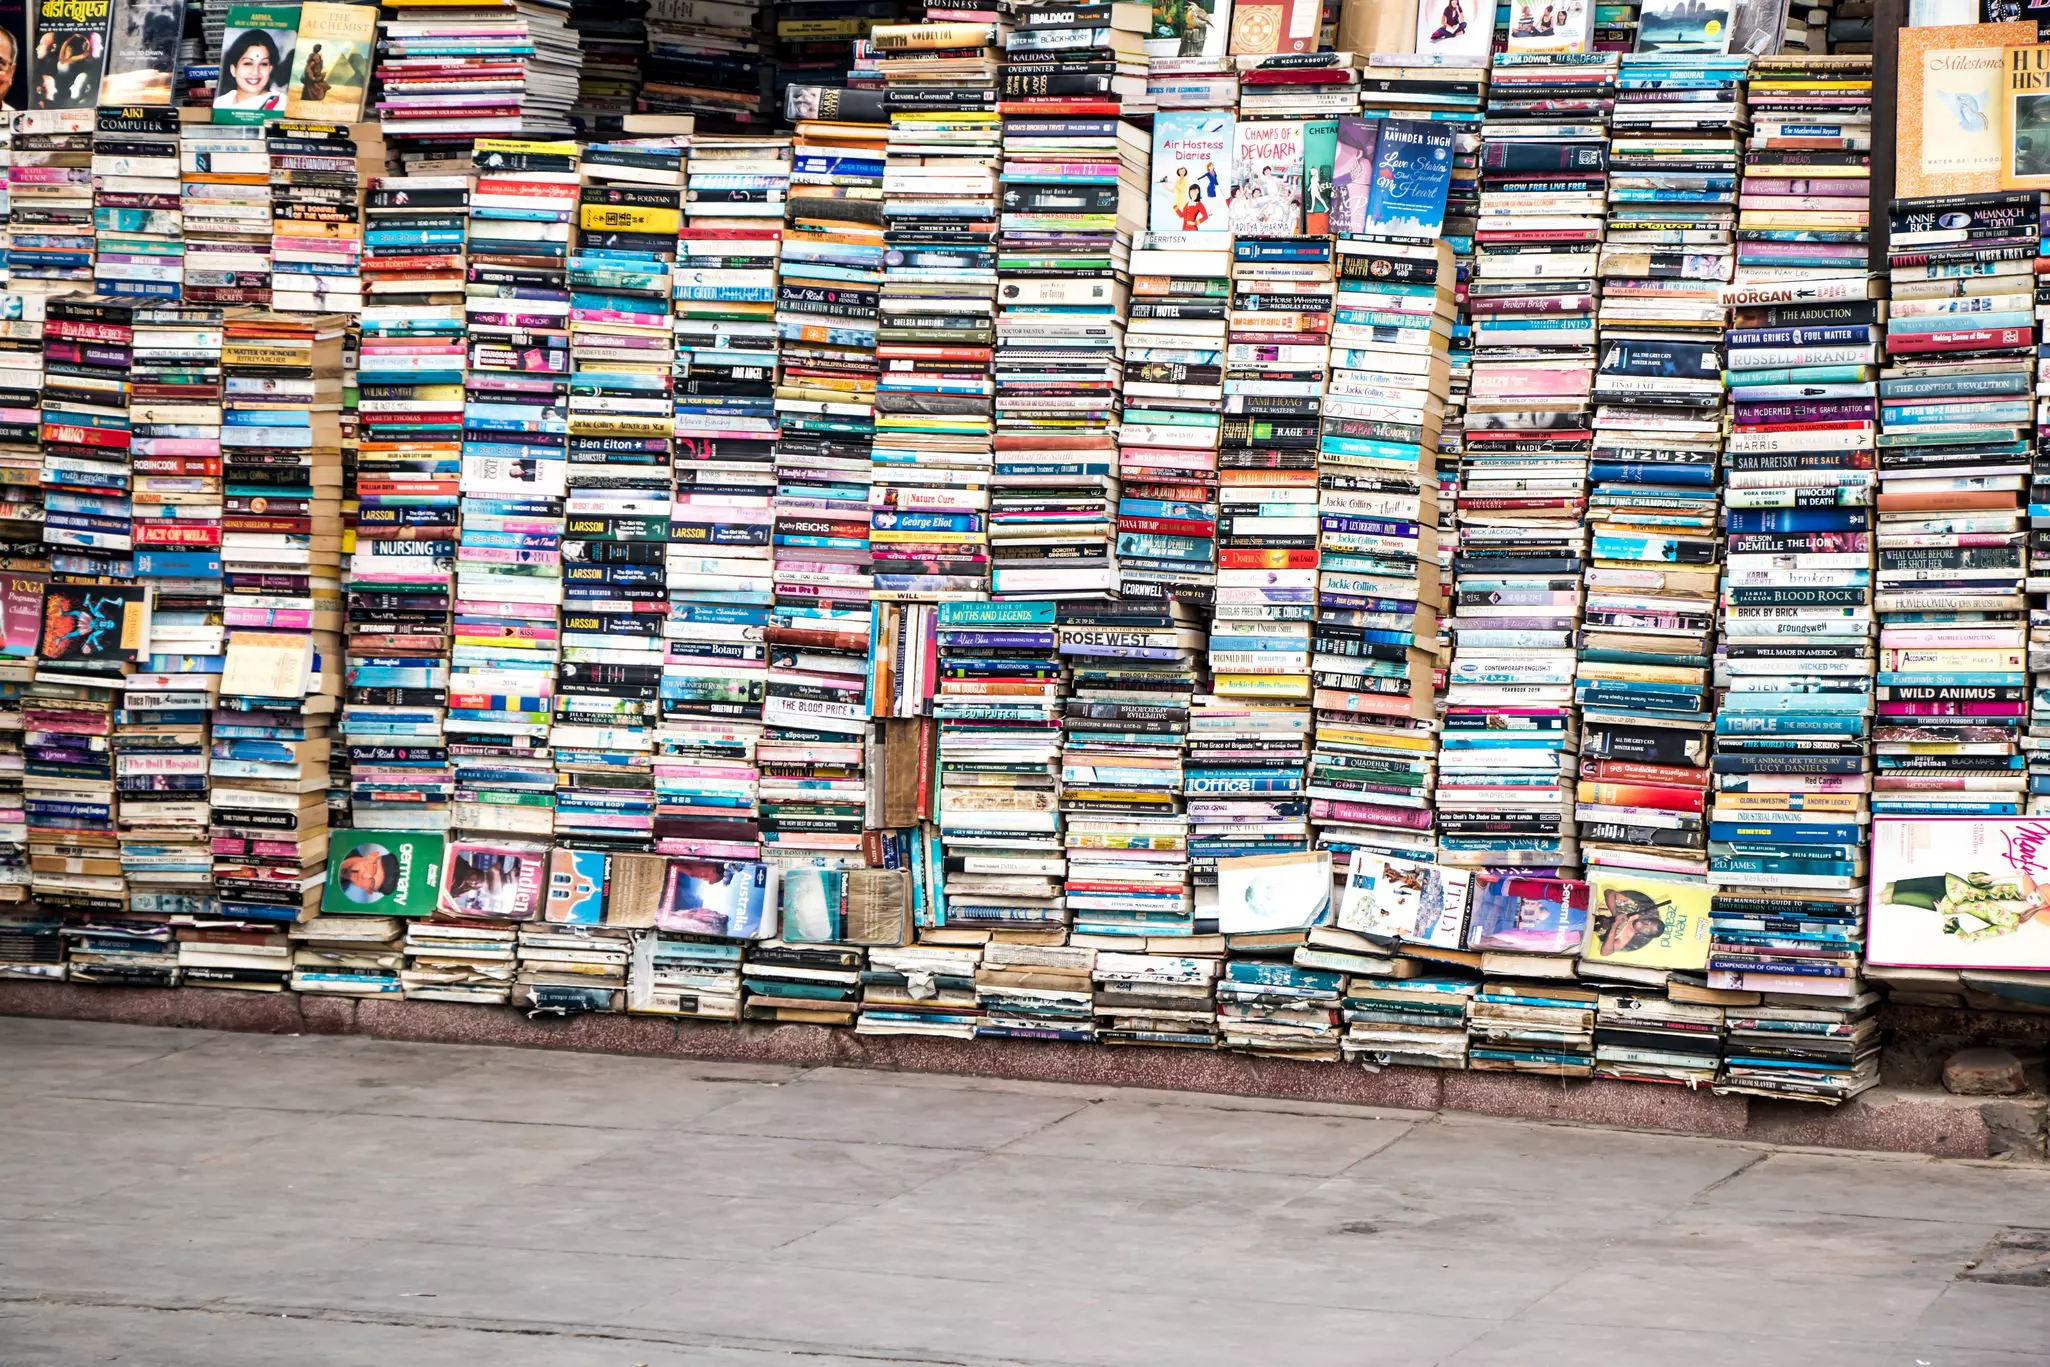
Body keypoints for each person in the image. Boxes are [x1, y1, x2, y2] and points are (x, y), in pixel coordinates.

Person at [215, 29, 287, 111]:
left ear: (270, 69)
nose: (255, 72)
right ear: (233, 70)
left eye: (263, 64)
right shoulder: (220, 103)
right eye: (248, 63)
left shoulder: (281, 104)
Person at [1593, 887, 1669, 956]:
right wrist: (1615, 913)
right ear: (1647, 918)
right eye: (1649, 922)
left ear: (1643, 935)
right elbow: (1609, 892)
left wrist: (1614, 926)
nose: (1645, 925)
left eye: (1647, 930)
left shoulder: (1625, 938)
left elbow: (1604, 952)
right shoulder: (1633, 907)